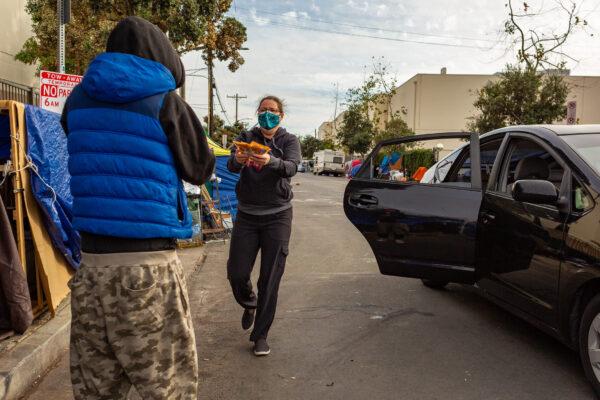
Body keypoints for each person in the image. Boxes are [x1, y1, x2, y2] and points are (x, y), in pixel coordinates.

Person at [60, 16, 215, 399]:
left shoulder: (76, 100)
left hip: (91, 269)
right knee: (167, 388)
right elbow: (199, 169)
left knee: (96, 391)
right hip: (148, 270)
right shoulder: (166, 103)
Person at [227, 95, 301, 356]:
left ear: (281, 116)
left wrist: (271, 162)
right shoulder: (247, 135)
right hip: (247, 215)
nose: (267, 114)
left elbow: (292, 167)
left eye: (272, 111)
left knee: (270, 279)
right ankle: (249, 302)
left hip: (278, 216)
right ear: (257, 113)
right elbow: (231, 165)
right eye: (263, 110)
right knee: (237, 273)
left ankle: (260, 336)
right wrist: (238, 158)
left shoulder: (288, 140)